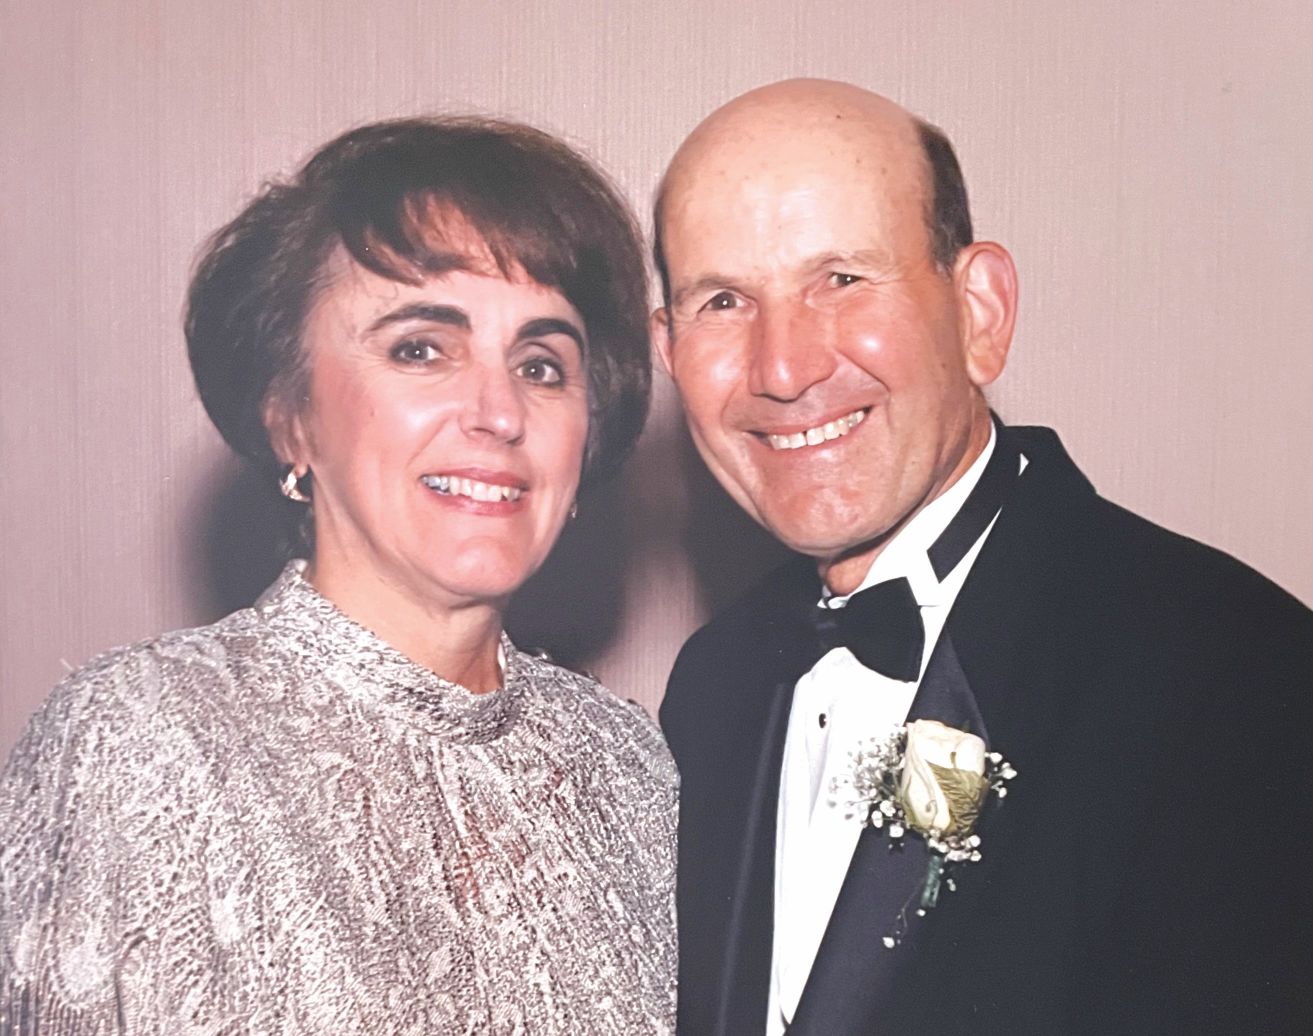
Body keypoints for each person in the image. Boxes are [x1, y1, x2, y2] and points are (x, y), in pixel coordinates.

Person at [653, 78, 1312, 1035]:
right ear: (669, 351)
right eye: (721, 300)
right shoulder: (714, 682)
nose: (783, 368)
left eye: (841, 280)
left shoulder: (1236, 673)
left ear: (979, 313)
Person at [0, 116, 676, 1033]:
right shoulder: (140, 741)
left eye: (540, 364)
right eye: (420, 348)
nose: (499, 412)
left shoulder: (630, 768)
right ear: (289, 416)